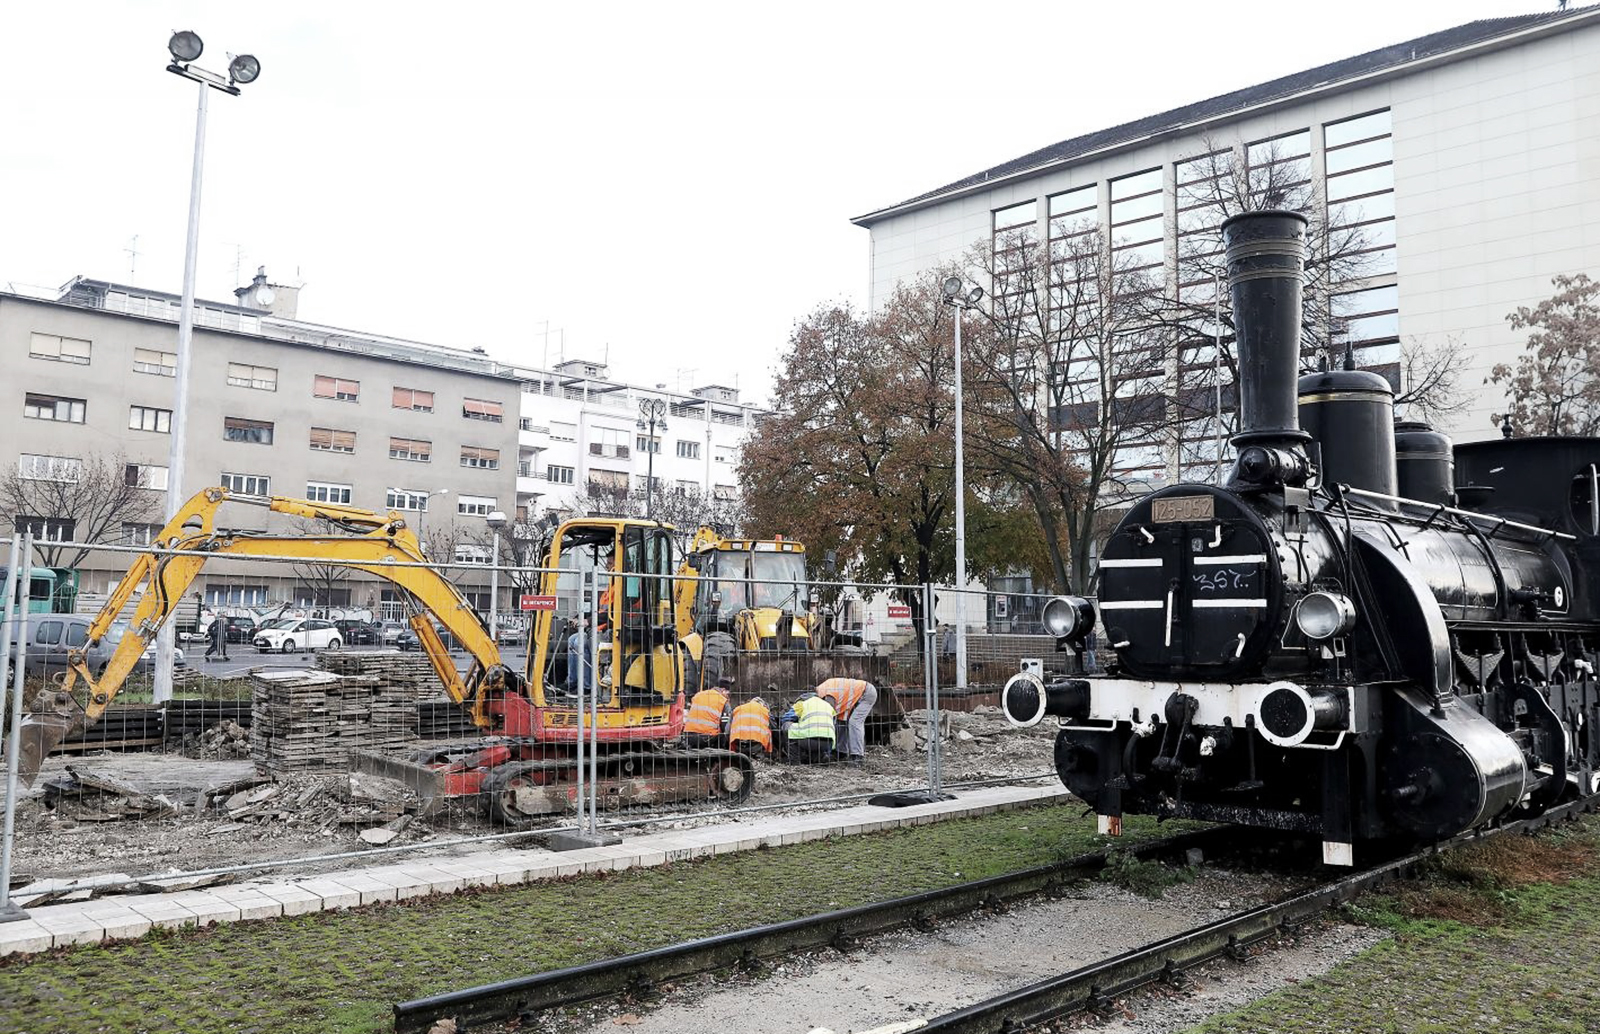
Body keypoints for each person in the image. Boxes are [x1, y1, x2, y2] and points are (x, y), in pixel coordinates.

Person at [815, 677, 877, 765]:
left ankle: (857, 756)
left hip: (866, 693)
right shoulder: (822, 689)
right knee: (841, 722)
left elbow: (829, 714)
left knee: (854, 722)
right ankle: (841, 752)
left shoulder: (826, 694)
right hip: (853, 697)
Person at [786, 689, 836, 764]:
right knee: (814, 737)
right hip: (828, 743)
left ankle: (794, 763)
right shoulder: (827, 704)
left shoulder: (802, 703)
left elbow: (786, 718)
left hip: (809, 740)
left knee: (788, 728)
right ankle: (822, 756)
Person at [682, 677, 732, 749]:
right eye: (728, 693)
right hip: (707, 739)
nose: (728, 696)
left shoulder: (698, 695)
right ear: (723, 690)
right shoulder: (723, 701)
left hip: (688, 736)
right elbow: (725, 726)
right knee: (724, 735)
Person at [727, 690, 774, 758]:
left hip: (738, 746)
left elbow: (727, 731)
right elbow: (775, 729)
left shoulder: (737, 709)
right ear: (763, 705)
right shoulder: (765, 711)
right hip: (756, 746)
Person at [566, 617, 592, 693]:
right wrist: (577, 618)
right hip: (591, 630)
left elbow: (609, 615)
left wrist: (588, 621)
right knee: (571, 639)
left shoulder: (613, 605)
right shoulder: (598, 605)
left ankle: (586, 685)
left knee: (579, 643)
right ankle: (572, 682)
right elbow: (591, 611)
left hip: (606, 629)